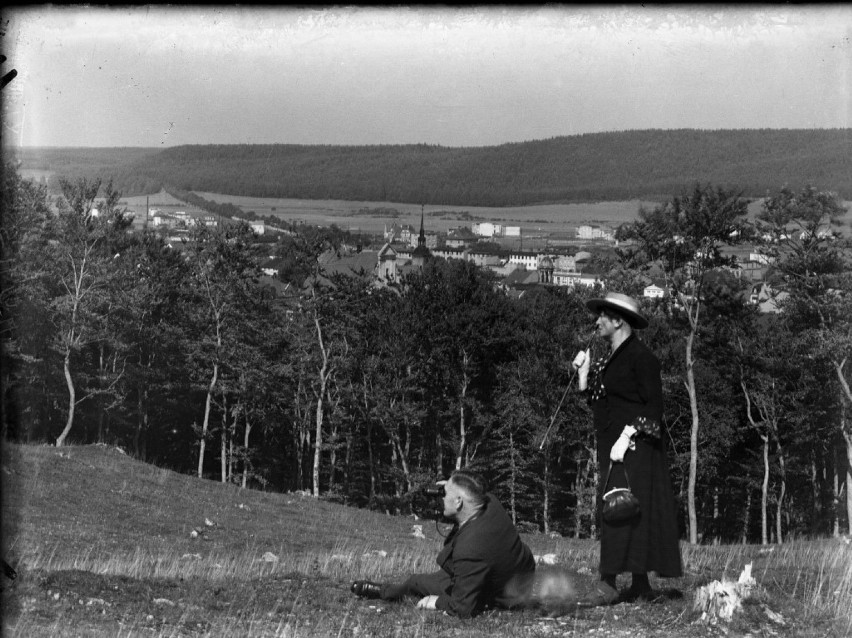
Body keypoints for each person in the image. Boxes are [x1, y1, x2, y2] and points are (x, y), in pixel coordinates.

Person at [574, 292, 682, 606]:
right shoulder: (612, 356)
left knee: (621, 508)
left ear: (618, 320)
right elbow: (601, 400)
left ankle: (608, 582)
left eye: (602, 316)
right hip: (615, 445)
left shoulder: (642, 358)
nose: (597, 322)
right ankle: (639, 584)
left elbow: (655, 406)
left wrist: (628, 434)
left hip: (636, 447)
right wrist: (584, 374)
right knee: (624, 508)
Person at [350, 469, 536, 619]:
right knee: (445, 575)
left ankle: (385, 592)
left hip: (503, 595)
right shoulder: (489, 502)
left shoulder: (470, 547)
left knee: (416, 582)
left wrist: (437, 602)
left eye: (445, 494)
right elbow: (474, 487)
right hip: (520, 574)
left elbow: (463, 608)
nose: (441, 498)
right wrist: (452, 484)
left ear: (458, 502)